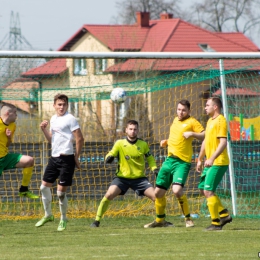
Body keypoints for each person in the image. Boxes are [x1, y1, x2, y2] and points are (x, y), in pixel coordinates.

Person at [91, 119, 167, 227]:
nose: (133, 131)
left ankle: (161, 220)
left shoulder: (143, 144)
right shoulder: (120, 143)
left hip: (139, 179)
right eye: (130, 129)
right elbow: (111, 153)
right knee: (108, 194)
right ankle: (96, 221)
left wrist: (154, 168)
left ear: (138, 131)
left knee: (156, 196)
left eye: (135, 129)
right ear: (126, 130)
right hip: (122, 178)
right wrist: (108, 158)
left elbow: (150, 158)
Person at [144, 99, 205, 228]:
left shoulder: (192, 122)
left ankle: (188, 219)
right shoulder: (174, 120)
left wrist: (192, 134)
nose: (180, 112)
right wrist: (166, 142)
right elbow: (176, 138)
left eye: (183, 110)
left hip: (182, 163)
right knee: (158, 193)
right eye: (179, 109)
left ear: (189, 111)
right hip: (169, 160)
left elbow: (205, 135)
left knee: (177, 191)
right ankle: (160, 221)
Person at [35, 93, 84, 231]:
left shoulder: (71, 119)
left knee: (60, 193)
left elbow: (80, 139)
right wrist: (43, 129)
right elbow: (51, 140)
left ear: (67, 105)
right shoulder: (53, 119)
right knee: (43, 188)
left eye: (64, 104)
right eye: (59, 104)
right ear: (54, 105)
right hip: (54, 158)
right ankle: (48, 215)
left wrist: (76, 157)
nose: (61, 107)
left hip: (67, 159)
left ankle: (63, 218)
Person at [196, 97, 232, 231]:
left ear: (215, 107)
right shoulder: (210, 121)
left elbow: (223, 142)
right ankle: (224, 214)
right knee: (202, 189)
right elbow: (205, 141)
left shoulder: (221, 120)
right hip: (209, 162)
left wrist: (211, 158)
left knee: (208, 191)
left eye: (207, 105)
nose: (205, 107)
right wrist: (200, 158)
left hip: (218, 162)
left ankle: (216, 223)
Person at [0, 103, 39, 199]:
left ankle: (24, 190)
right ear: (8, 113)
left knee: (29, 160)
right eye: (15, 112)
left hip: (5, 158)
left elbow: (7, 144)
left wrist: (9, 138)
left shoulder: (12, 126)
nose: (16, 115)